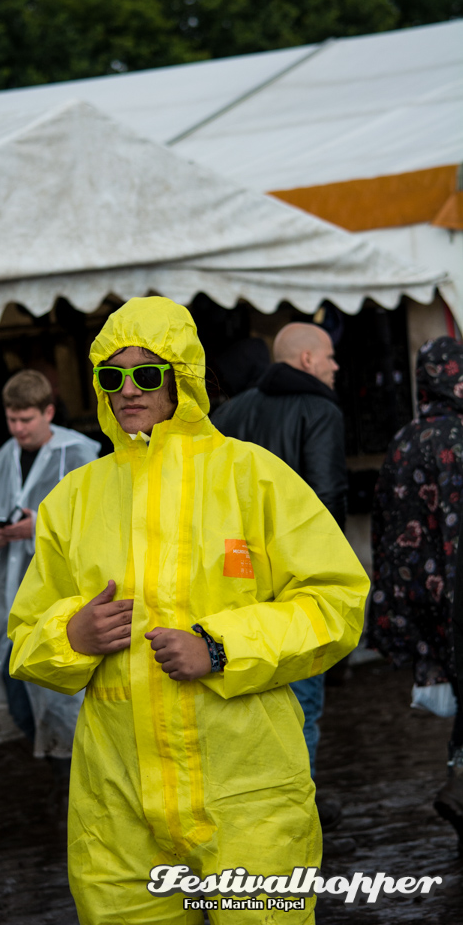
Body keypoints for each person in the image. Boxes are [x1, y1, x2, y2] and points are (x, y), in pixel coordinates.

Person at [8, 297, 369, 925]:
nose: (127, 389)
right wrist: (72, 634)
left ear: (183, 377)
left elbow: (336, 601)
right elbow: (24, 638)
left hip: (247, 793)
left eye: (147, 373)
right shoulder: (72, 501)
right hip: (118, 807)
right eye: (110, 376)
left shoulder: (256, 478)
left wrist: (222, 646)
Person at [211, 322, 347, 790]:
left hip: (232, 578)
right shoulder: (320, 409)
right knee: (301, 701)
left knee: (244, 700)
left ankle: (247, 798)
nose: (335, 365)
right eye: (329, 356)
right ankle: (295, 806)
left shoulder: (229, 413)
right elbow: (326, 500)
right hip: (294, 581)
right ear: (307, 359)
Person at [0, 369, 100, 759]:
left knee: (61, 677)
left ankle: (73, 760)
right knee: (12, 678)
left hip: (61, 587)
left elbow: (95, 518)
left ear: (49, 412)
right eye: (12, 419)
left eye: (27, 419)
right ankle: (54, 755)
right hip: (7, 590)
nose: (19, 429)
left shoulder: (80, 454)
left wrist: (38, 527)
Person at [368, 336, 463, 848]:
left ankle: (459, 779)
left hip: (420, 599)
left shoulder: (404, 438)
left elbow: (384, 529)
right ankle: (461, 786)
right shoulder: (461, 436)